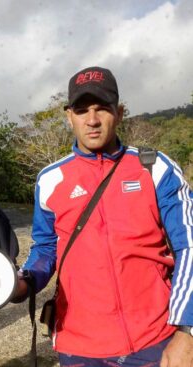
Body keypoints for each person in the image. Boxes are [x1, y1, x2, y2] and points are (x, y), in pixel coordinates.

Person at [12, 66, 193, 367]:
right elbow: (45, 250)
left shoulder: (155, 168)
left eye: (102, 109)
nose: (92, 120)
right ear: (69, 116)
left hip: (154, 339)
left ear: (119, 113)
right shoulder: (50, 179)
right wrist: (22, 282)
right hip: (79, 346)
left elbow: (189, 247)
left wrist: (187, 332)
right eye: (82, 110)